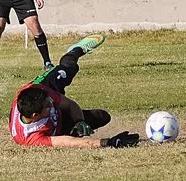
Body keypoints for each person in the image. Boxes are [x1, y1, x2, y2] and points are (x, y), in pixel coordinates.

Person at [9, 34, 140, 148]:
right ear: (35, 116)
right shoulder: (29, 137)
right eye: (47, 106)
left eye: (49, 101)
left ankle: (74, 51)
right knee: (102, 117)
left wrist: (79, 120)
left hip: (46, 85)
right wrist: (108, 143)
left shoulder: (40, 92)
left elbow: (70, 104)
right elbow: (68, 143)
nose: (51, 103)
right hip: (61, 125)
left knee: (68, 67)